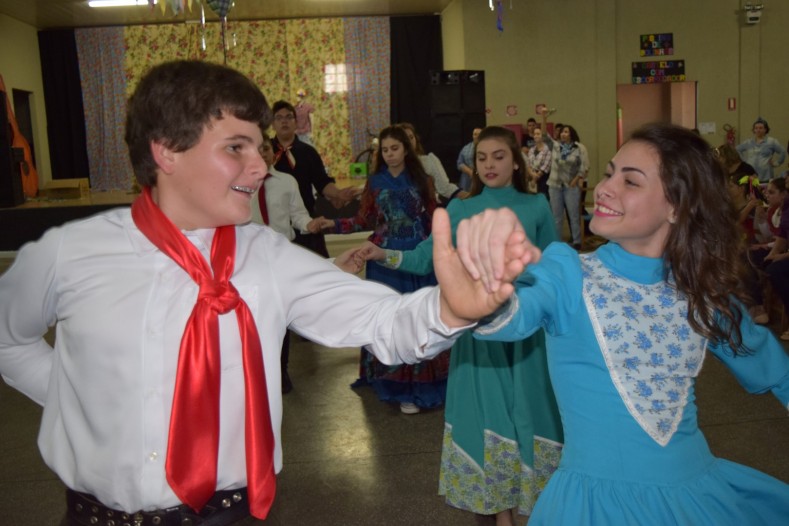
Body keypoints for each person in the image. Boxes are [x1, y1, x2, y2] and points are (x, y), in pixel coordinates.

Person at [0, 60, 533, 526]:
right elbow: (8, 339)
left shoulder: (268, 257)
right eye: (236, 147)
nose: (260, 166)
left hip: (233, 515)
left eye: (258, 146)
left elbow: (383, 322)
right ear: (165, 151)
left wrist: (449, 308)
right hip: (95, 517)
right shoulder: (70, 254)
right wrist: (75, 398)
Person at [457, 123, 789, 525]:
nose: (605, 187)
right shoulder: (569, 271)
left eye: (630, 181)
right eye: (610, 172)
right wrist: (480, 301)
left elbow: (774, 370)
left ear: (677, 206)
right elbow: (516, 314)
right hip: (591, 507)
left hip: (695, 501)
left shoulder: (703, 294)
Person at [357, 126, 563, 525]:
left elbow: (554, 267)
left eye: (499, 156)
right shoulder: (460, 209)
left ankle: (538, 511)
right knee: (488, 420)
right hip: (480, 337)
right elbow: (425, 258)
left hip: (529, 336)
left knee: (532, 416)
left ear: (515, 161)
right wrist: (382, 253)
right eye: (482, 157)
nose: (489, 165)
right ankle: (501, 515)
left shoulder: (536, 207)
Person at [316, 125, 449, 415]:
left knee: (419, 319)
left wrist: (438, 252)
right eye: (385, 150)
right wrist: (334, 225)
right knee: (391, 321)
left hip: (416, 258)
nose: (389, 154)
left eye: (395, 148)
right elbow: (364, 220)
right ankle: (398, 387)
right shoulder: (375, 182)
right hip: (383, 260)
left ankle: (424, 383)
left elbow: (432, 221)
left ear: (406, 149)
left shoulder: (422, 179)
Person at [249, 133, 325, 393]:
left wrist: (310, 224)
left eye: (266, 149)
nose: (262, 153)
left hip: (280, 258)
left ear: (273, 153)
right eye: (256, 149)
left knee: (280, 316)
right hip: (249, 260)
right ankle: (256, 373)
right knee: (254, 318)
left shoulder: (287, 182)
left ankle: (280, 371)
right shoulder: (237, 182)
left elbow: (299, 216)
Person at [270, 99, 356, 258]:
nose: (284, 121)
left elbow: (322, 182)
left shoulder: (308, 152)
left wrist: (338, 194)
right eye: (279, 117)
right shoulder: (264, 152)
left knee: (317, 265)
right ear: (272, 123)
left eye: (289, 117)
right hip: (275, 222)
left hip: (306, 218)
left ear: (296, 122)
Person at [399, 121, 469, 203]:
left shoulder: (428, 161)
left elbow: (446, 188)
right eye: (405, 139)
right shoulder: (390, 167)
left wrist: (473, 198)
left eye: (411, 137)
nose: (409, 141)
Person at [547, 124, 586, 250]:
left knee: (573, 215)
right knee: (556, 216)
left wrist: (576, 180)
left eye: (566, 132)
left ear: (571, 134)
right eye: (562, 132)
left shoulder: (579, 148)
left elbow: (584, 166)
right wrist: (544, 117)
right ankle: (557, 242)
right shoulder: (555, 146)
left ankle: (576, 241)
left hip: (570, 185)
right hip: (555, 184)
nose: (563, 134)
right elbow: (543, 136)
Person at [736, 117, 787, 183]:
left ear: (765, 129)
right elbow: (737, 149)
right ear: (754, 130)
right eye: (756, 128)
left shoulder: (771, 141)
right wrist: (744, 162)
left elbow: (782, 152)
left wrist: (776, 163)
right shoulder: (748, 142)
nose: (758, 130)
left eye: (760, 128)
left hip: (766, 176)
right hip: (751, 176)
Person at [526, 126, 552, 198]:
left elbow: (546, 166)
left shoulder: (548, 149)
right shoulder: (531, 149)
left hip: (543, 179)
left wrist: (535, 179)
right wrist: (532, 174)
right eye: (535, 134)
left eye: (538, 134)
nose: (536, 136)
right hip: (532, 177)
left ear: (542, 136)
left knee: (542, 200)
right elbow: (528, 164)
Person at [457, 127, 483, 192]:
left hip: (482, 177)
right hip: (467, 180)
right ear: (472, 135)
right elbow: (459, 163)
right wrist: (470, 172)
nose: (477, 136)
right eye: (475, 134)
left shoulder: (487, 148)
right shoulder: (466, 148)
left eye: (479, 134)